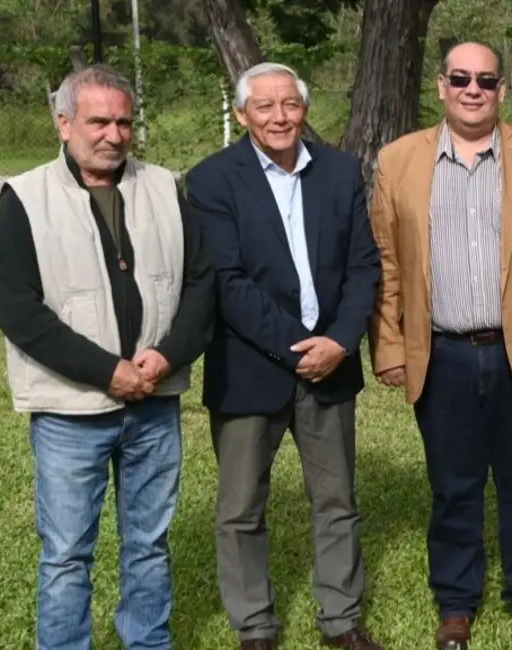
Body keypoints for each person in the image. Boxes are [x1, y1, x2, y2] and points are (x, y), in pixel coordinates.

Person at [0, 64, 215, 650]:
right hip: (71, 413)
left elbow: (201, 285)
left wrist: (165, 357)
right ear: (63, 123)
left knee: (149, 545)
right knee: (67, 554)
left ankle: (148, 642)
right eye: (99, 122)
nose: (114, 135)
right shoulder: (24, 200)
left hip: (154, 403)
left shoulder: (166, 188)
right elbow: (20, 312)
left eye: (124, 122)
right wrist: (108, 371)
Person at [368, 40, 512, 650]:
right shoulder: (398, 161)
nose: (472, 90)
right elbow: (386, 265)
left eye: (485, 81)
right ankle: (456, 603)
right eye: (460, 78)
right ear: (441, 86)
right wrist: (388, 345)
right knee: (452, 486)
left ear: (500, 89)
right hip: (442, 354)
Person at [185, 62, 384, 650]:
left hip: (332, 363)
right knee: (241, 507)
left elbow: (363, 266)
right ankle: (254, 626)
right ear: (242, 114)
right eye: (265, 106)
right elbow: (228, 281)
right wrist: (298, 350)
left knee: (337, 500)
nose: (279, 117)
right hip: (251, 366)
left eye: (290, 104)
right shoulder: (211, 180)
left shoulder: (340, 172)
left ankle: (341, 620)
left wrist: (340, 341)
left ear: (304, 109)